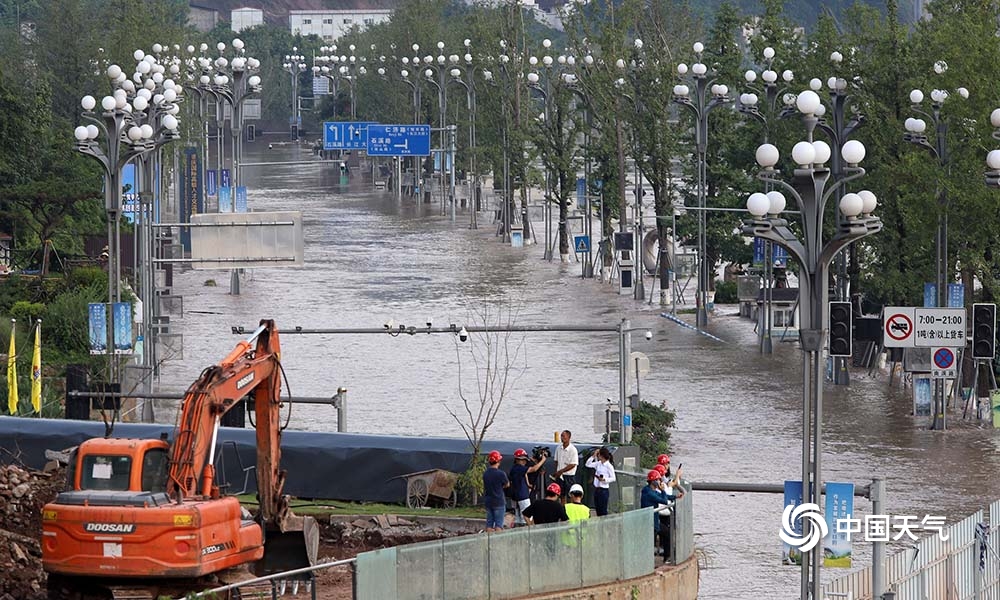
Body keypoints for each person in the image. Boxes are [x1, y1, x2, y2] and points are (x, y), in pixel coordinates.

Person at [640, 469, 674, 559]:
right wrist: (662, 490)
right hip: (650, 521)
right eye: (658, 480)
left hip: (654, 521)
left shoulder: (649, 490)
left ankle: (667, 556)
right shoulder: (649, 493)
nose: (660, 482)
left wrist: (675, 497)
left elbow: (663, 497)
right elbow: (664, 500)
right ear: (653, 482)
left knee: (667, 533)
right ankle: (649, 562)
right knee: (650, 542)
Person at [509, 448, 546, 526]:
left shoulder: (514, 468)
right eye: (523, 460)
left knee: (518, 517)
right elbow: (534, 469)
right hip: (522, 496)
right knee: (528, 516)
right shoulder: (519, 468)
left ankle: (518, 531)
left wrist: (528, 483)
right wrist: (543, 460)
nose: (525, 462)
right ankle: (529, 531)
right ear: (518, 460)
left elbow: (525, 474)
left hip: (515, 496)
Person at [482, 450, 509, 533]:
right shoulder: (501, 474)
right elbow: (507, 484)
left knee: (489, 524)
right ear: (498, 461)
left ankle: (488, 541)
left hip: (488, 501)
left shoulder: (485, 473)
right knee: (499, 525)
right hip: (499, 501)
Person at [584, 446, 616, 516]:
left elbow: (613, 478)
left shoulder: (609, 466)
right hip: (597, 488)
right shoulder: (598, 464)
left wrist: (605, 480)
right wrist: (593, 456)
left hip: (604, 489)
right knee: (597, 509)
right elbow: (588, 464)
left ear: (602, 456)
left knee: (603, 510)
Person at [551, 430, 578, 504]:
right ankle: (563, 508)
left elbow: (573, 464)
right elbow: (556, 460)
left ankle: (570, 509)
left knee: (570, 495)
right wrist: (557, 471)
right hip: (560, 475)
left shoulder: (573, 450)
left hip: (569, 476)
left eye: (564, 436)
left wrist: (561, 471)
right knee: (561, 494)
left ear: (569, 437)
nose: (562, 438)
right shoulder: (558, 448)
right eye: (561, 436)